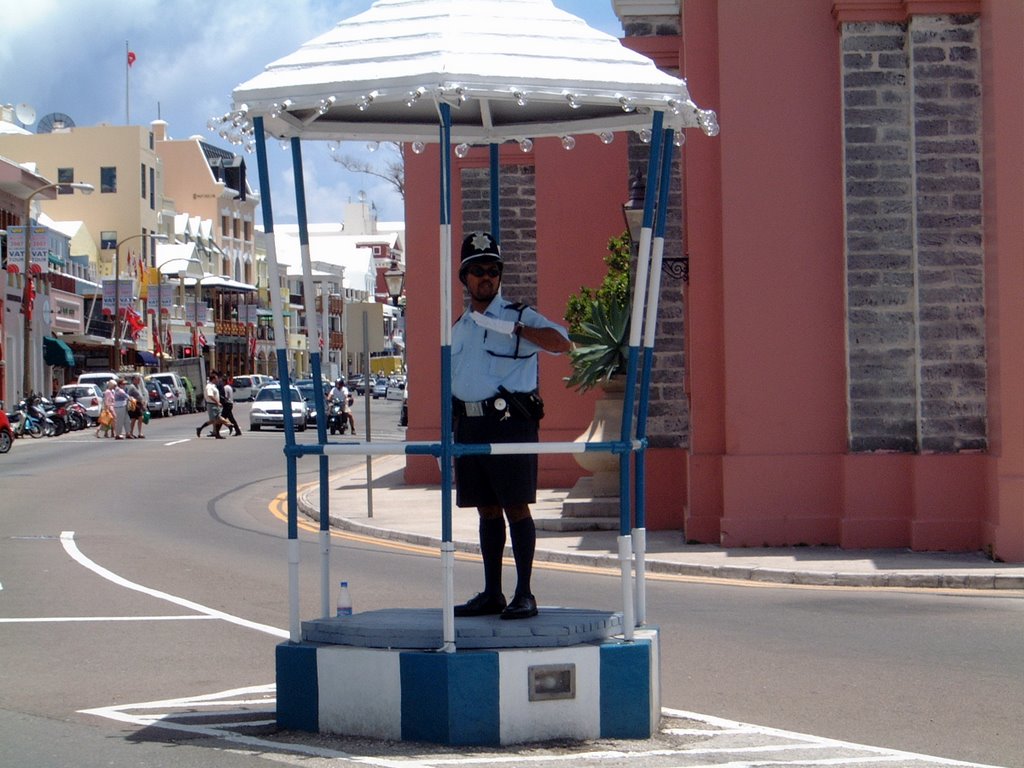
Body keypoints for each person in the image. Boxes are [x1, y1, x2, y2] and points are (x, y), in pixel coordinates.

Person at [451, 231, 570, 620]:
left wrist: (517, 330)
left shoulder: (518, 314)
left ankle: (525, 593)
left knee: (516, 507)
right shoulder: (459, 327)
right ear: (465, 278)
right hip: (469, 426)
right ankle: (492, 593)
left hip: (508, 424)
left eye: (493, 270)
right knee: (486, 509)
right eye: (478, 270)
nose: (486, 277)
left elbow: (560, 342)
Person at [196, 371, 228, 439]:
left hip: (214, 405)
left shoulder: (213, 386)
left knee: (215, 420)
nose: (217, 380)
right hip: (212, 405)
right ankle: (230, 426)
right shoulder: (209, 386)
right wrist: (217, 402)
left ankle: (216, 433)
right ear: (213, 379)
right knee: (215, 420)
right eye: (216, 378)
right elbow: (210, 395)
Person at [125, 373, 146, 439]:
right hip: (134, 405)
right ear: (134, 380)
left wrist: (143, 402)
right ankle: (130, 433)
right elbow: (128, 395)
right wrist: (133, 400)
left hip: (139, 405)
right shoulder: (131, 387)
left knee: (140, 418)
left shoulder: (137, 386)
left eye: (139, 379)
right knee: (133, 419)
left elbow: (140, 395)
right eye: (138, 379)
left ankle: (139, 433)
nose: (139, 381)